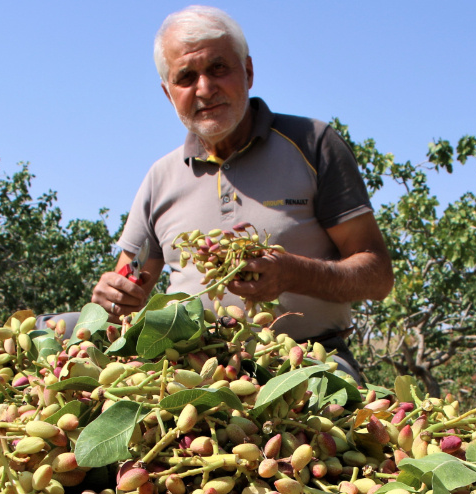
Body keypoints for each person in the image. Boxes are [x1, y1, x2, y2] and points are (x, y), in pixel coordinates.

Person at [89, 5, 392, 379]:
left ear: (248, 72)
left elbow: (378, 277)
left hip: (312, 361)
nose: (205, 88)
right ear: (169, 93)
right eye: (186, 77)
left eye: (218, 68)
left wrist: (292, 273)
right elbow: (127, 283)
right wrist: (114, 297)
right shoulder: (160, 178)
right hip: (195, 366)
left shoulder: (313, 144)